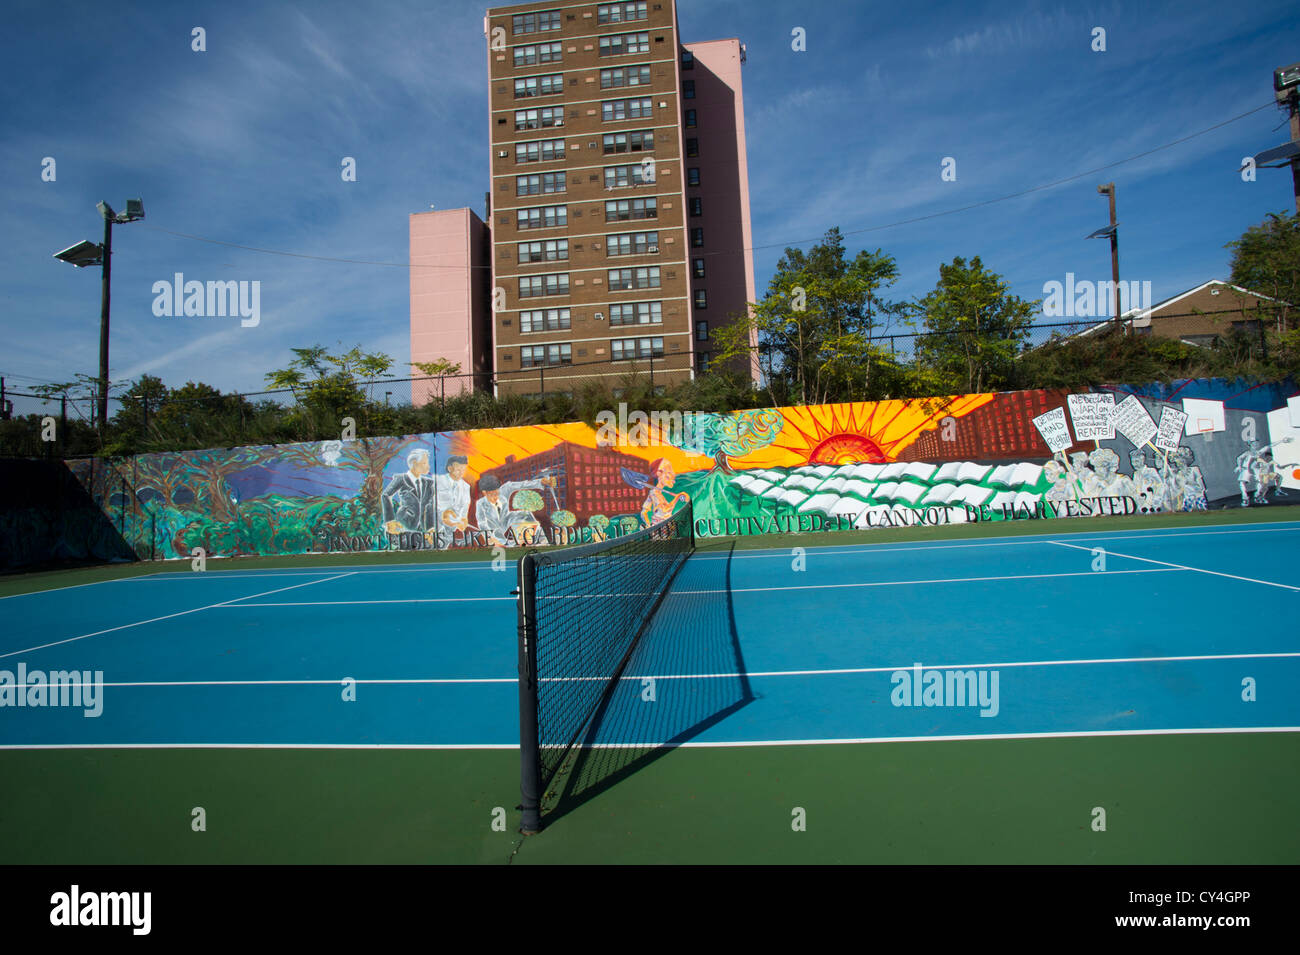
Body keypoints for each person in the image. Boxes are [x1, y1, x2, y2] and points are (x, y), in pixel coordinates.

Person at [475, 473, 556, 546]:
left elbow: (522, 484)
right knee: (504, 543)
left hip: (505, 520)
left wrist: (540, 482)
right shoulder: (480, 504)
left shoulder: (505, 489)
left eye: (496, 494)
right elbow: (482, 523)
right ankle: (514, 545)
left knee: (525, 514)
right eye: (491, 495)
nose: (495, 498)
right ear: (484, 493)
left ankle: (541, 538)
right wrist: (490, 538)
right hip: (494, 529)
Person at [381, 449, 435, 536]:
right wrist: (390, 521)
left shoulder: (428, 483)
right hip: (403, 524)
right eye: (424, 463)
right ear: (414, 463)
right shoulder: (401, 479)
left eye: (427, 463)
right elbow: (386, 495)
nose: (428, 467)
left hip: (421, 529)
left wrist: (430, 528)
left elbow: (429, 507)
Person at [637, 458, 690, 527]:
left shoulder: (658, 493)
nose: (672, 475)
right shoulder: (654, 493)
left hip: (667, 527)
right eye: (669, 473)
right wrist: (678, 496)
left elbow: (644, 513)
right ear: (659, 473)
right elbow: (665, 510)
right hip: (660, 529)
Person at [433, 455, 472, 548]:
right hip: (436, 525)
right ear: (450, 468)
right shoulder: (438, 481)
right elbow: (432, 502)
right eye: (458, 469)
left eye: (463, 470)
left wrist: (463, 519)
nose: (461, 473)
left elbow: (465, 506)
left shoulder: (466, 487)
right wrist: (444, 514)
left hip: (452, 528)